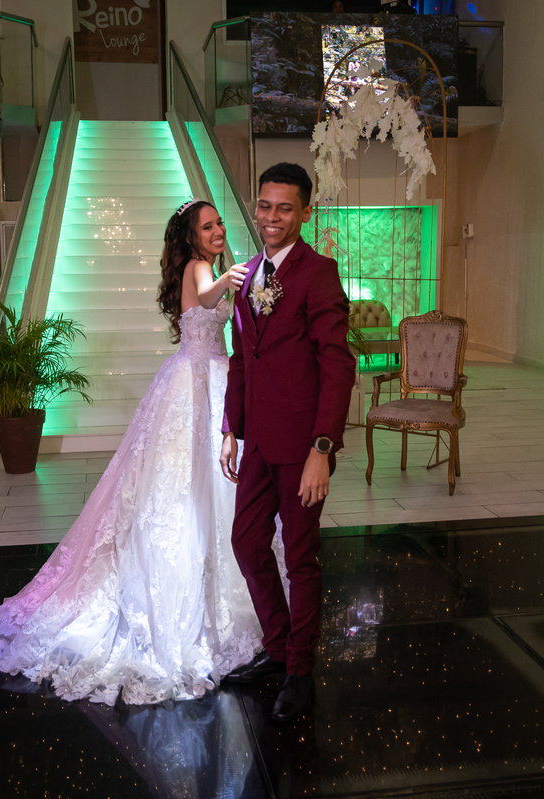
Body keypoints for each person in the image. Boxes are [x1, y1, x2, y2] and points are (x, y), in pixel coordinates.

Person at [0, 201, 256, 706]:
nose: (217, 231)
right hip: (195, 382)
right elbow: (208, 293)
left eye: (218, 224)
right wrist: (229, 280)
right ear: (191, 238)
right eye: (207, 226)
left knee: (204, 484)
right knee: (186, 483)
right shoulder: (200, 269)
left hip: (209, 377)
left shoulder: (202, 268)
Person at [220, 163, 357, 722]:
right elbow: (242, 357)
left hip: (302, 446)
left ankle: (300, 670)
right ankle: (277, 649)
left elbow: (338, 365)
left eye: (284, 208)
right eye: (264, 205)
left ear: (304, 212)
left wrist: (322, 449)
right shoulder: (249, 272)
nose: (271, 217)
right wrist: (231, 428)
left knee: (300, 558)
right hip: (257, 441)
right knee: (246, 542)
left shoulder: (318, 273)